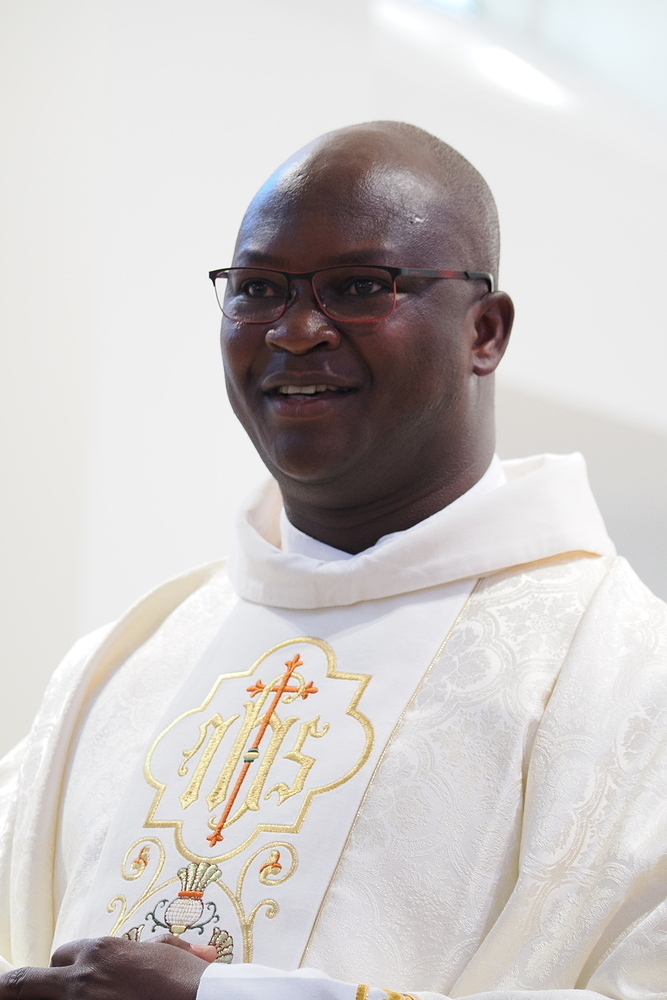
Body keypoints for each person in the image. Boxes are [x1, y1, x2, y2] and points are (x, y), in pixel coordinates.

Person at [1, 121, 666, 1000]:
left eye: (358, 287)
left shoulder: (631, 682)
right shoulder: (126, 662)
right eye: (257, 289)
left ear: (485, 332)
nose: (295, 330)